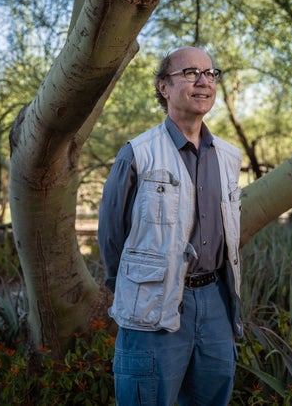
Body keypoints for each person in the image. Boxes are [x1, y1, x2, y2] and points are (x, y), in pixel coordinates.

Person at [97, 46, 243, 406]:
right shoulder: (138, 152)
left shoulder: (228, 156)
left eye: (210, 74)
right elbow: (111, 236)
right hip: (154, 303)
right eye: (191, 73)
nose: (203, 82)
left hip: (215, 303)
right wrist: (134, 290)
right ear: (164, 87)